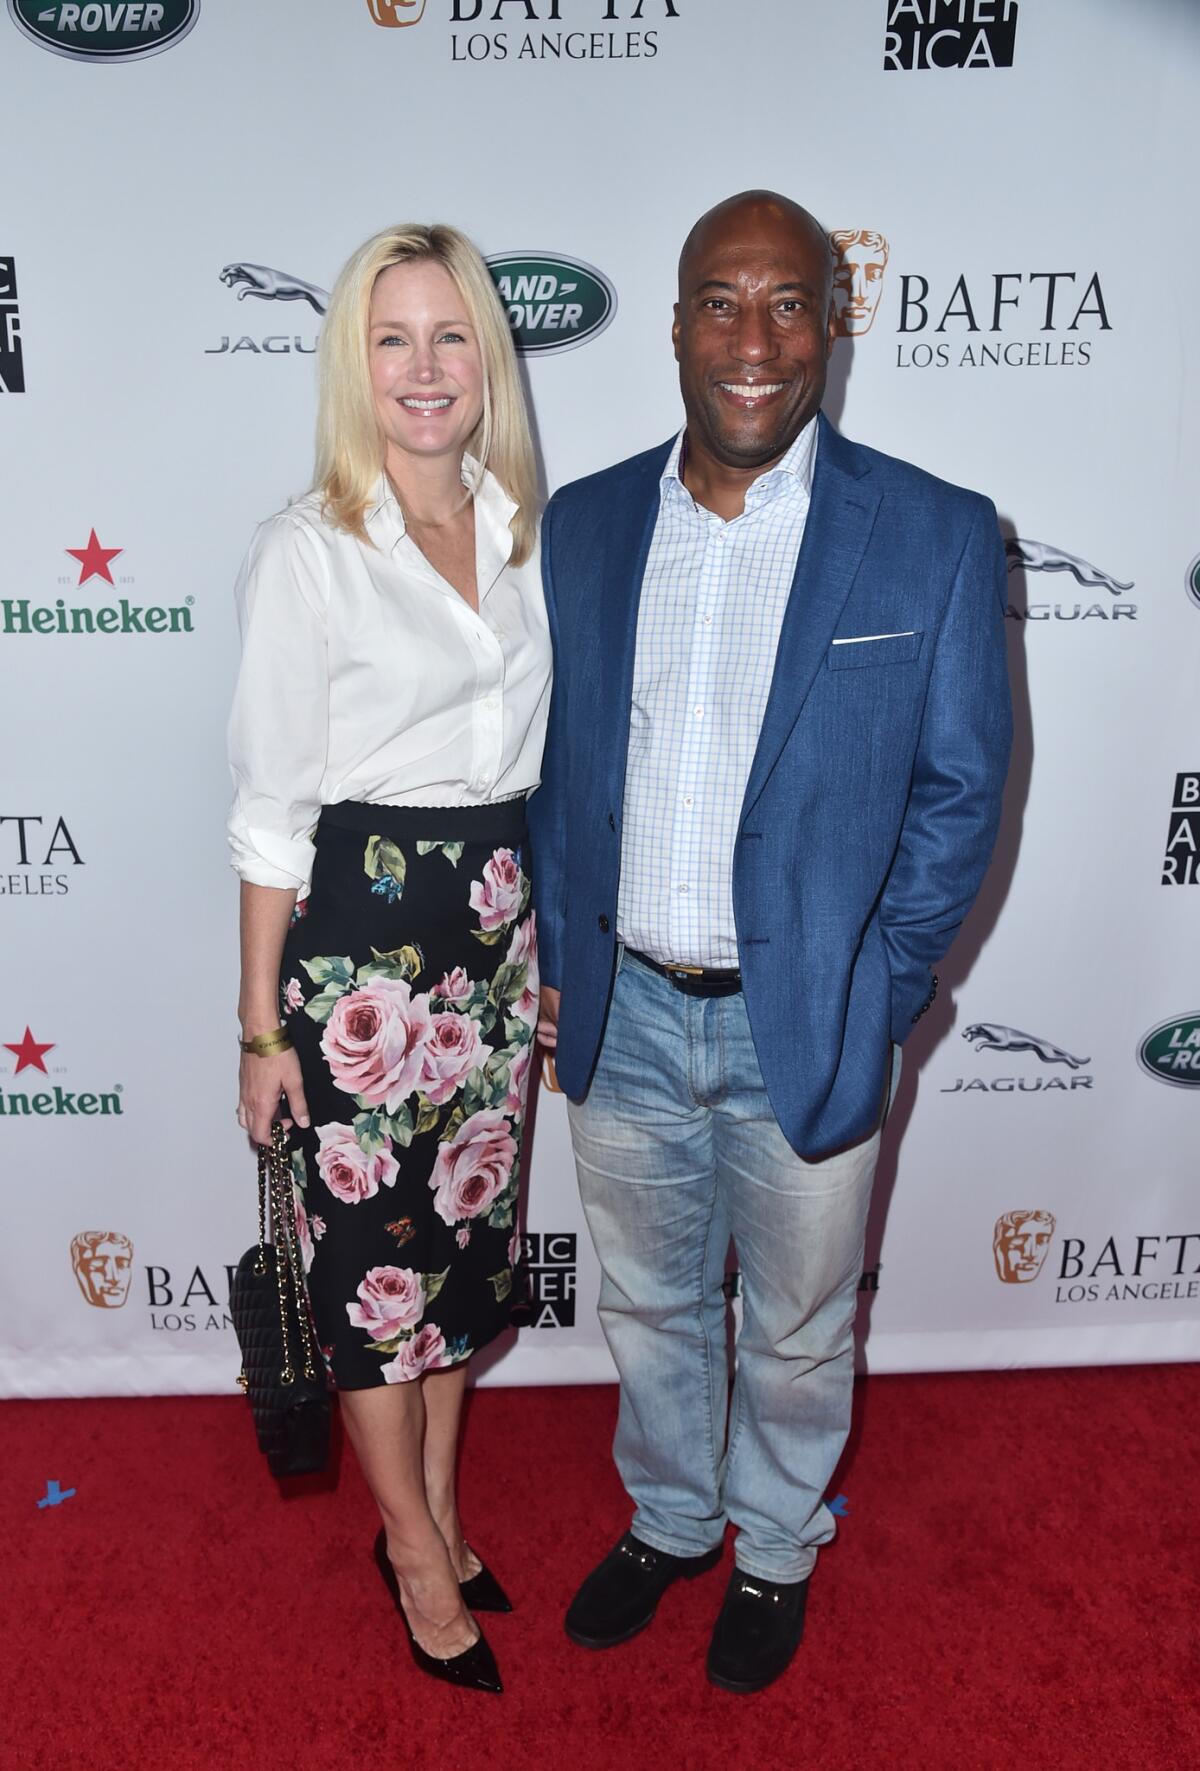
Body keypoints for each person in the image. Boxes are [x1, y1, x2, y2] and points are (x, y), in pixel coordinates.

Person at [529, 189, 1012, 1694]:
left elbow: (961, 788)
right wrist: (558, 962)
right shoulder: (588, 521)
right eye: (722, 303)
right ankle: (674, 1522)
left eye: (788, 302)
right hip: (624, 1015)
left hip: (808, 1019)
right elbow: (555, 768)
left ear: (831, 324)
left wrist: (880, 987)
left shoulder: (930, 532)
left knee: (799, 1329)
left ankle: (777, 1543)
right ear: (675, 327)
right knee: (651, 1304)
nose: (755, 340)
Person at [227, 222, 550, 1696]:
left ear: (490, 355)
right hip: (356, 956)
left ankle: (448, 1510)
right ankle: (413, 1553)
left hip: (491, 942)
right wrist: (258, 1030)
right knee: (372, 1280)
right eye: (392, 339)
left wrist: (535, 941)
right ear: (355, 365)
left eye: (453, 335)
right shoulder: (308, 551)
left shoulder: (523, 526)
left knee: (462, 1268)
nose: (427, 370)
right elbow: (270, 814)